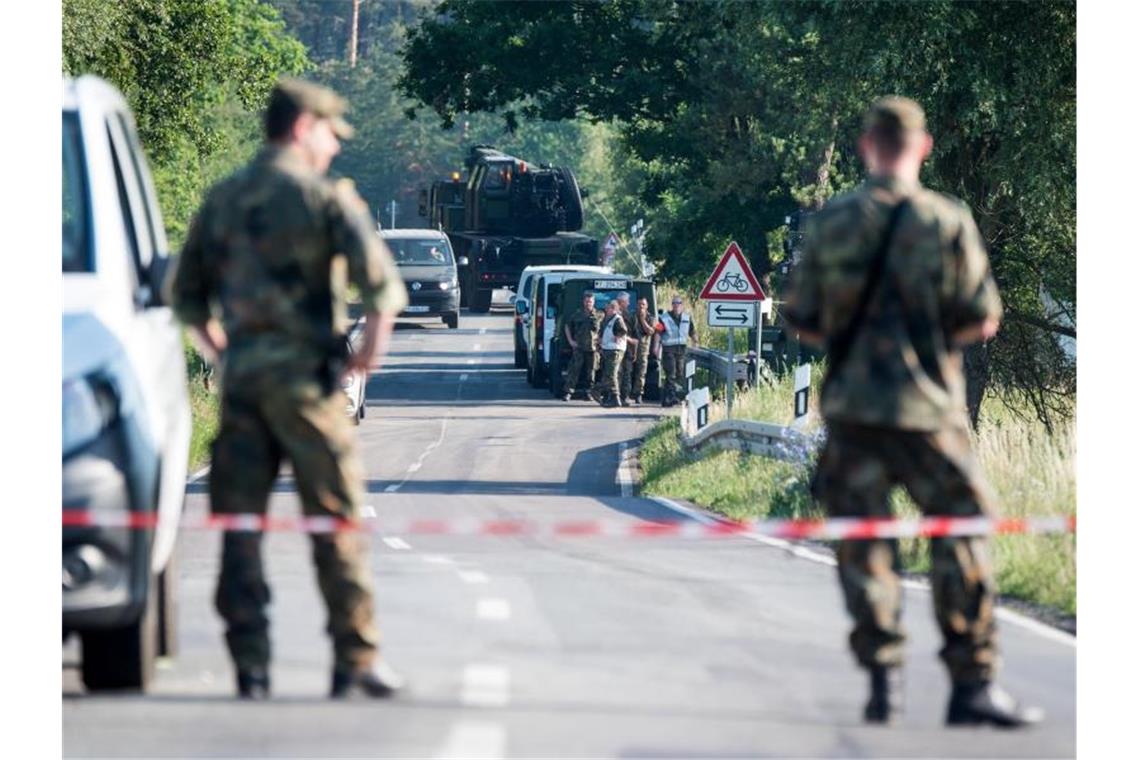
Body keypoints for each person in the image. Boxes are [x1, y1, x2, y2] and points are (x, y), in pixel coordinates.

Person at [782, 96, 1042, 727]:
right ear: (922, 147)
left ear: (867, 145)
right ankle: (972, 680)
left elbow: (802, 319)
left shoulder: (835, 222)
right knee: (962, 531)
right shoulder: (946, 221)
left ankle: (883, 681)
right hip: (930, 411)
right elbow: (982, 317)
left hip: (854, 414)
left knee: (865, 543)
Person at [168, 78, 410, 701]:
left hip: (244, 389)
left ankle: (250, 665)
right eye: (330, 134)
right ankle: (354, 658)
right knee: (337, 521)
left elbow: (186, 298)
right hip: (309, 388)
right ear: (303, 127)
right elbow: (383, 292)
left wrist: (225, 356)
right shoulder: (327, 200)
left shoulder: (224, 198)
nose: (333, 148)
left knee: (241, 527)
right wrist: (364, 360)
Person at [655, 295, 697, 406]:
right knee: (671, 373)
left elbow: (692, 332)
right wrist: (656, 346)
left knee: (679, 373)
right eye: (674, 303)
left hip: (681, 350)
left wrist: (695, 342)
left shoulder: (687, 318)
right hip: (669, 350)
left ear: (682, 305)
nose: (676, 305)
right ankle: (668, 398)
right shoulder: (664, 318)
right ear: (672, 305)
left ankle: (671, 395)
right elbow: (658, 332)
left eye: (678, 303)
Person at [561, 291, 602, 401]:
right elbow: (567, 326)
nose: (589, 303)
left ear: (594, 302)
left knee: (591, 372)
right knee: (574, 370)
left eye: (591, 301)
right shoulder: (577, 314)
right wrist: (570, 341)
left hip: (593, 348)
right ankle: (568, 392)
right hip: (579, 347)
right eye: (587, 301)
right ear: (583, 302)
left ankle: (589, 393)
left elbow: (604, 330)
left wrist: (601, 342)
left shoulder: (599, 315)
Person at [590, 300, 628, 408]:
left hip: (615, 350)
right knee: (608, 374)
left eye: (608, 308)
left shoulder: (617, 319)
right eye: (606, 308)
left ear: (614, 309)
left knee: (612, 374)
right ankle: (610, 396)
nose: (606, 310)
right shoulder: (607, 320)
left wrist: (618, 336)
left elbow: (623, 330)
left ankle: (615, 397)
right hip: (608, 350)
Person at [628, 296, 656, 405]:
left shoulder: (651, 318)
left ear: (647, 306)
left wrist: (642, 320)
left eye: (643, 304)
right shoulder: (631, 316)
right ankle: (626, 393)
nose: (641, 307)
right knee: (628, 371)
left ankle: (638, 394)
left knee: (641, 373)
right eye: (639, 304)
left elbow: (650, 331)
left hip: (643, 350)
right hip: (630, 349)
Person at [615, 291, 638, 405]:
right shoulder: (611, 314)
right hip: (614, 349)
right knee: (615, 374)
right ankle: (615, 396)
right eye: (627, 301)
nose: (628, 304)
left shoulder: (631, 316)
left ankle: (624, 397)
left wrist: (634, 352)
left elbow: (635, 337)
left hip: (627, 350)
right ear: (621, 302)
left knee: (627, 374)